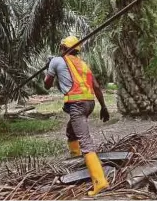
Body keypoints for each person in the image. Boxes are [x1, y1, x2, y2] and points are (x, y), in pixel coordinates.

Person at [44, 36, 110, 196]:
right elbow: (95, 86)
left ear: (63, 48)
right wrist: (104, 106)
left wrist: (48, 69)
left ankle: (100, 181)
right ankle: (76, 157)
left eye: (61, 48)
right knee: (71, 131)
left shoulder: (56, 61)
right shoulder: (83, 64)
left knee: (85, 140)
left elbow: (47, 85)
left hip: (77, 105)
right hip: (89, 104)